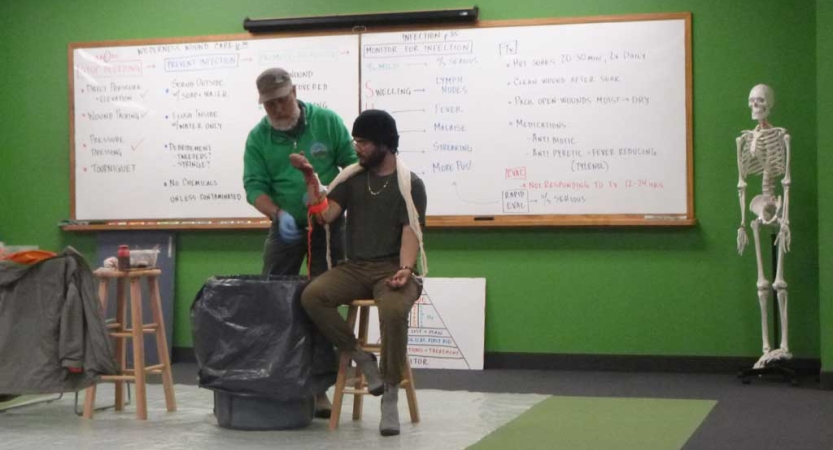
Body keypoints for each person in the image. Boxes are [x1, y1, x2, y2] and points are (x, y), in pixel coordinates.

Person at [289, 109, 428, 436]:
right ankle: (359, 357)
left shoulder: (410, 185)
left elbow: (412, 232)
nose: (357, 148)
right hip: (357, 267)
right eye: (355, 141)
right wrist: (311, 178)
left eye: (363, 142)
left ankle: (389, 393)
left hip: (394, 269)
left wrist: (406, 270)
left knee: (393, 310)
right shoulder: (352, 178)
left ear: (384, 143)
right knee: (313, 295)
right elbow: (326, 215)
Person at [242, 67, 358, 418]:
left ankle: (319, 388)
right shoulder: (258, 138)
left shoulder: (327, 122)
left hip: (327, 227)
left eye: (282, 100)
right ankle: (277, 381)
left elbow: (352, 167)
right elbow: (254, 187)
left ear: (295, 91)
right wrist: (278, 215)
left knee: (321, 301)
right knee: (274, 301)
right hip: (285, 227)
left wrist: (330, 204)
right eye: (269, 105)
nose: (277, 109)